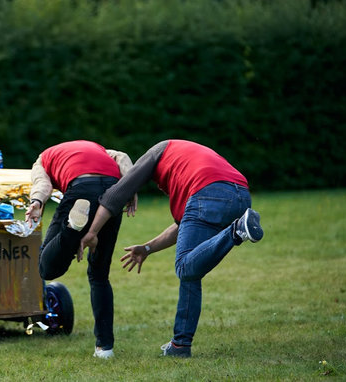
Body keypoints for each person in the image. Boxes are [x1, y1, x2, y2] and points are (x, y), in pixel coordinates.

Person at [80, 139, 263, 358]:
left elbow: (116, 195)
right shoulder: (183, 161)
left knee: (185, 267)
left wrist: (91, 232)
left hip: (207, 191)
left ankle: (235, 232)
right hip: (241, 195)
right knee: (192, 268)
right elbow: (183, 226)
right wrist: (147, 248)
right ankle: (180, 346)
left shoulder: (157, 151)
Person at [25, 140, 136, 359]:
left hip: (81, 189)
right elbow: (122, 157)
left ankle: (72, 228)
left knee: (47, 268)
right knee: (99, 274)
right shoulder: (99, 149)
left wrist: (37, 201)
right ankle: (105, 348)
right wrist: (129, 187)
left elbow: (43, 184)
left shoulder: (43, 158)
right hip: (114, 190)